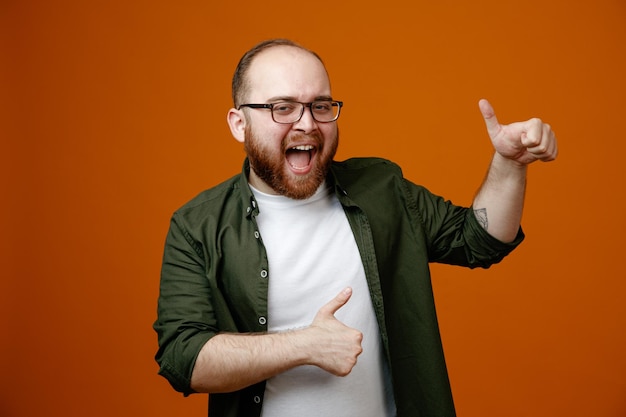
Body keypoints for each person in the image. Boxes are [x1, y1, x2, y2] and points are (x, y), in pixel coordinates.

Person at [153, 38, 557, 417]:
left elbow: (480, 241)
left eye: (321, 105)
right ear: (239, 124)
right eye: (283, 107)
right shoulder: (198, 226)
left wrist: (510, 163)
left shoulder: (383, 189)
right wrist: (304, 345)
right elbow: (183, 358)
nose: (307, 123)